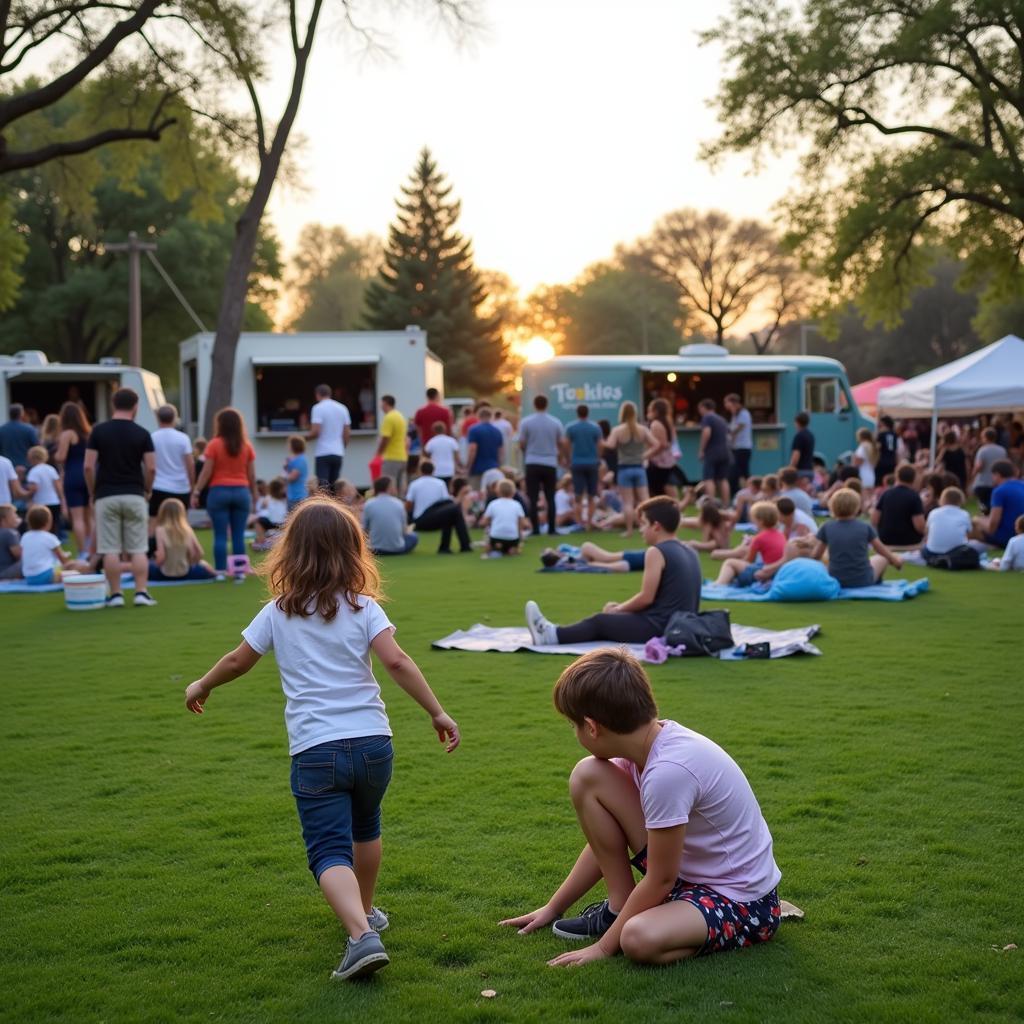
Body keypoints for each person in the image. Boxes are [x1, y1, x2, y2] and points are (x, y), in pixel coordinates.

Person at [183, 496, 460, 981]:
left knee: (328, 849)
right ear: (353, 552)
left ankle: (360, 935)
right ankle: (366, 911)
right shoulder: (364, 607)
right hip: (374, 743)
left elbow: (237, 660)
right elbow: (396, 661)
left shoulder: (277, 612)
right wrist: (436, 711)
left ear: (290, 552)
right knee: (366, 828)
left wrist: (202, 684)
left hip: (316, 750)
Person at [499, 647, 781, 965]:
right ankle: (621, 908)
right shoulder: (642, 749)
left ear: (592, 727)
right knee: (588, 774)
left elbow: (661, 877)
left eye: (573, 725)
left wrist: (604, 948)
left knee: (637, 939)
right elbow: (605, 844)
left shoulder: (668, 771)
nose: (574, 733)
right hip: (685, 878)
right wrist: (553, 907)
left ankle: (663, 922)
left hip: (740, 900)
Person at [525, 496, 701, 646]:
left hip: (661, 628)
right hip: (684, 626)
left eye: (643, 524)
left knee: (600, 622)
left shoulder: (656, 551)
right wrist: (622, 610)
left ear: (656, 526)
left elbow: (646, 598)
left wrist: (618, 610)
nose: (641, 530)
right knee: (610, 618)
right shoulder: (691, 551)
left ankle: (551, 636)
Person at [84, 387, 157, 607]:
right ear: (135, 406)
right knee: (138, 547)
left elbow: (88, 466)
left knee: (110, 548)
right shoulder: (142, 433)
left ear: (113, 404)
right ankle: (141, 592)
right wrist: (147, 489)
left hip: (106, 494)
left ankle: (115, 594)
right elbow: (152, 468)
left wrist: (92, 491)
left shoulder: (98, 432)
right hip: (134, 493)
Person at [192, 407, 257, 578]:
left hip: (219, 492)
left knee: (220, 534)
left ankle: (220, 571)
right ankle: (240, 572)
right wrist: (255, 495)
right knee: (238, 534)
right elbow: (251, 474)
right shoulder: (246, 446)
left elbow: (206, 471)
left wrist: (197, 491)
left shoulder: (214, 444)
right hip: (242, 492)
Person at [813, 488, 903, 587]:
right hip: (863, 580)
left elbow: (816, 555)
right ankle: (877, 582)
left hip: (835, 579)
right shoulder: (865, 527)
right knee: (881, 558)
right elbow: (881, 550)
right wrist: (896, 561)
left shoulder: (827, 527)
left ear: (832, 506)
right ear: (856, 507)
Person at [604, 402, 656, 538]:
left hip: (624, 469)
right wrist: (645, 455)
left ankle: (629, 531)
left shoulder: (618, 430)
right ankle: (649, 527)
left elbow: (610, 445)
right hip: (639, 467)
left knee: (627, 502)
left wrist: (599, 440)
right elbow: (656, 444)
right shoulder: (643, 429)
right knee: (645, 500)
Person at [519, 395, 566, 538]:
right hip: (550, 462)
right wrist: (561, 457)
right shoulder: (555, 422)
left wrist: (527, 452)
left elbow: (522, 442)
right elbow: (560, 442)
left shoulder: (526, 422)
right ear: (547, 405)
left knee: (532, 497)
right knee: (550, 497)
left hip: (532, 461)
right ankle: (552, 528)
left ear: (534, 405)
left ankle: (535, 529)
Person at [404, 460, 473, 554]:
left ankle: (447, 548)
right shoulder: (440, 483)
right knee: (453, 512)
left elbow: (408, 504)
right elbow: (447, 502)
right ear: (433, 470)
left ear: (420, 470)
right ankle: (464, 545)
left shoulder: (415, 484)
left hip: (420, 519)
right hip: (422, 520)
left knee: (451, 513)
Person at [714, 502, 785, 587]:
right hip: (779, 572)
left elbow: (749, 560)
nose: (752, 521)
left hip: (765, 573)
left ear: (760, 521)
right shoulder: (780, 535)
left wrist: (739, 553)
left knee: (729, 562)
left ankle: (718, 585)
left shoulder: (759, 538)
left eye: (754, 519)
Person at [149, 404, 195, 535]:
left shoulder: (152, 438)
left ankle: (151, 552)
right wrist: (192, 486)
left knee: (154, 521)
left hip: (158, 486)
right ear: (175, 418)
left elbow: (149, 464)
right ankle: (181, 552)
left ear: (158, 418)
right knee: (181, 522)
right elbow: (190, 465)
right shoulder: (183, 438)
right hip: (180, 487)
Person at [54, 401, 92, 556]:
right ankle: (92, 550)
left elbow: (61, 457)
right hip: (88, 475)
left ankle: (83, 552)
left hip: (73, 475)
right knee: (90, 517)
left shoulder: (67, 433)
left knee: (77, 518)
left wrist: (54, 454)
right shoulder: (89, 433)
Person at [149, 498, 215, 581]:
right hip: (186, 572)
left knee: (145, 565)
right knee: (205, 566)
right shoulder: (187, 529)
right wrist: (191, 563)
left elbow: (161, 557)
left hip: (165, 573)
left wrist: (155, 563)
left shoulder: (160, 530)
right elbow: (199, 553)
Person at [19, 505, 87, 585]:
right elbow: (63, 560)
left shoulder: (25, 536)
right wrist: (67, 556)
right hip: (46, 575)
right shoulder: (49, 537)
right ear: (48, 522)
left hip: (29, 577)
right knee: (79, 568)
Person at [566, 404, 603, 531]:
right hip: (592, 463)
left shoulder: (571, 427)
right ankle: (588, 524)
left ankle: (580, 524)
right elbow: (600, 445)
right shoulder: (595, 427)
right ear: (588, 413)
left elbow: (567, 444)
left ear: (577, 413)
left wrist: (568, 459)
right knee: (591, 495)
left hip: (577, 463)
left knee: (578, 496)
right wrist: (598, 458)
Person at [307, 384, 352, 489]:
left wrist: (302, 439)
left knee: (323, 487)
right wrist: (342, 447)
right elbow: (347, 433)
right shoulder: (342, 408)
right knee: (335, 487)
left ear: (317, 395)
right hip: (338, 451)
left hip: (323, 452)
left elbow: (315, 432)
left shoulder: (318, 408)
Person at [871, 463, 925, 548]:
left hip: (885, 539)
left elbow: (874, 520)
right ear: (913, 478)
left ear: (897, 476)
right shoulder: (914, 497)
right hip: (909, 541)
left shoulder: (886, 494)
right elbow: (920, 526)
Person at [361, 476, 418, 556]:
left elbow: (364, 529)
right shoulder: (399, 504)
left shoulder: (369, 504)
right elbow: (404, 531)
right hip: (396, 549)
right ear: (389, 487)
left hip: (375, 548)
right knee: (414, 536)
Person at [973, 460, 1024, 548]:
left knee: (974, 522)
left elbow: (993, 525)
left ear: (997, 475)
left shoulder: (999, 491)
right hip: (1021, 534)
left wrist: (977, 520)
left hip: (1007, 538)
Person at [646, 399, 687, 501]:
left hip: (659, 463)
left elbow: (661, 444)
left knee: (655, 489)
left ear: (655, 411)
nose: (648, 412)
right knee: (668, 487)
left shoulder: (655, 424)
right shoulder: (668, 422)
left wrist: (646, 455)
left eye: (650, 410)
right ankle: (675, 507)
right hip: (668, 461)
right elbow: (670, 441)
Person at [25, 445, 66, 538]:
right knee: (53, 526)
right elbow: (58, 486)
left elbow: (34, 488)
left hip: (40, 504)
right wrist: (62, 499)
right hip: (54, 502)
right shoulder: (51, 469)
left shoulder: (34, 471)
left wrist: (27, 496)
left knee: (39, 528)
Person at [480, 478, 528, 557]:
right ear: (513, 492)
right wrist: (520, 534)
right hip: (512, 537)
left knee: (490, 541)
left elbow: (484, 522)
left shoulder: (493, 504)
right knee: (514, 547)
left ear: (497, 491)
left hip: (495, 536)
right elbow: (523, 523)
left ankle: (493, 548)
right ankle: (511, 549)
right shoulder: (517, 505)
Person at [921, 487, 972, 561]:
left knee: (924, 548)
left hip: (932, 553)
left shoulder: (934, 512)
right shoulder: (964, 514)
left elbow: (926, 532)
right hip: (957, 553)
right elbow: (968, 534)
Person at [696, 399, 731, 504]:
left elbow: (706, 432)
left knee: (708, 478)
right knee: (723, 479)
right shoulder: (721, 419)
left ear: (703, 407)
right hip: (725, 451)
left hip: (712, 451)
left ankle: (711, 505)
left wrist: (701, 449)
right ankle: (726, 505)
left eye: (700, 409)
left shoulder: (707, 418)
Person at [466, 406, 504, 491]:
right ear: (491, 416)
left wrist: (468, 466)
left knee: (477, 494)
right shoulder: (497, 431)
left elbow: (473, 449)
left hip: (477, 468)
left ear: (478, 416)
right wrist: (499, 465)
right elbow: (501, 451)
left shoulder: (474, 430)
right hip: (493, 467)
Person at [376, 395, 408, 495]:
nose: (380, 406)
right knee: (400, 488)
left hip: (391, 457)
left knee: (388, 487)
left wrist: (378, 453)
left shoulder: (389, 418)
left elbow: (385, 438)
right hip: (402, 456)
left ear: (385, 403)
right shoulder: (400, 416)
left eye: (381, 403)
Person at [970, 427, 1007, 513]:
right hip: (997, 483)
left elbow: (979, 466)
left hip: (983, 483)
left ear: (985, 437)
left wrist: (972, 477)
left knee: (984, 507)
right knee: (994, 505)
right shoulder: (1002, 450)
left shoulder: (983, 450)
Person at [724, 393, 753, 491]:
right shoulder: (735, 415)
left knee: (743, 471)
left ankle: (750, 488)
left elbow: (738, 428)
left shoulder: (743, 413)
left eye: (727, 403)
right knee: (736, 471)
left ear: (733, 403)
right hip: (736, 447)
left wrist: (730, 433)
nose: (726, 406)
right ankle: (738, 490)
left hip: (743, 447)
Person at [0, 403, 38, 477]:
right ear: (21, 414)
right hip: (26, 467)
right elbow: (36, 448)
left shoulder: (1, 430)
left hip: (7, 467)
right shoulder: (29, 429)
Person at [253, 478, 288, 549]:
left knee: (258, 521)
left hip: (281, 524)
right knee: (259, 521)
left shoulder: (284, 499)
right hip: (275, 523)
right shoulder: (270, 498)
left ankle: (262, 542)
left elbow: (260, 509)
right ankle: (262, 541)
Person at [424, 421, 461, 486]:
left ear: (433, 430)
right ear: (444, 429)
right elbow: (457, 456)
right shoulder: (451, 441)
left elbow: (426, 456)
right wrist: (459, 466)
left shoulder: (431, 442)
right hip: (449, 470)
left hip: (436, 470)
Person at [284, 435, 309, 511]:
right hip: (292, 495)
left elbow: (292, 477)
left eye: (289, 444)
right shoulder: (294, 459)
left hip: (298, 496)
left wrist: (282, 477)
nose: (288, 446)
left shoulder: (301, 460)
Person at [789, 411, 815, 479]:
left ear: (797, 422)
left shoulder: (799, 436)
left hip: (800, 472)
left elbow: (796, 454)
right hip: (809, 471)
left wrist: (790, 469)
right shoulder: (810, 435)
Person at [0, 503, 22, 579]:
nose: (16, 517)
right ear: (4, 519)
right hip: (4, 573)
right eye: (13, 515)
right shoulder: (10, 533)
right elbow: (20, 555)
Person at [852, 428, 877, 493]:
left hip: (863, 474)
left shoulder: (863, 446)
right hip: (871, 474)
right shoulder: (871, 445)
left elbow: (858, 461)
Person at [875, 415, 899, 484]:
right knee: (890, 482)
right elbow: (896, 450)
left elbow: (877, 448)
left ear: (884, 423)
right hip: (892, 461)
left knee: (880, 482)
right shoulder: (894, 435)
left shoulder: (881, 434)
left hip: (882, 462)